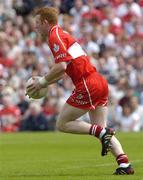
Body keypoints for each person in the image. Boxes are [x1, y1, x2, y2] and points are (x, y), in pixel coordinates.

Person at [26, 7, 134, 175]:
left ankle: (102, 132)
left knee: (62, 123)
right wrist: (43, 84)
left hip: (88, 83)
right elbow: (63, 71)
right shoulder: (62, 34)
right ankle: (124, 164)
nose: (35, 27)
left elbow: (61, 66)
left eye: (37, 23)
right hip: (98, 81)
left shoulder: (54, 35)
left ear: (46, 23)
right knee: (100, 131)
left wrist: (42, 81)